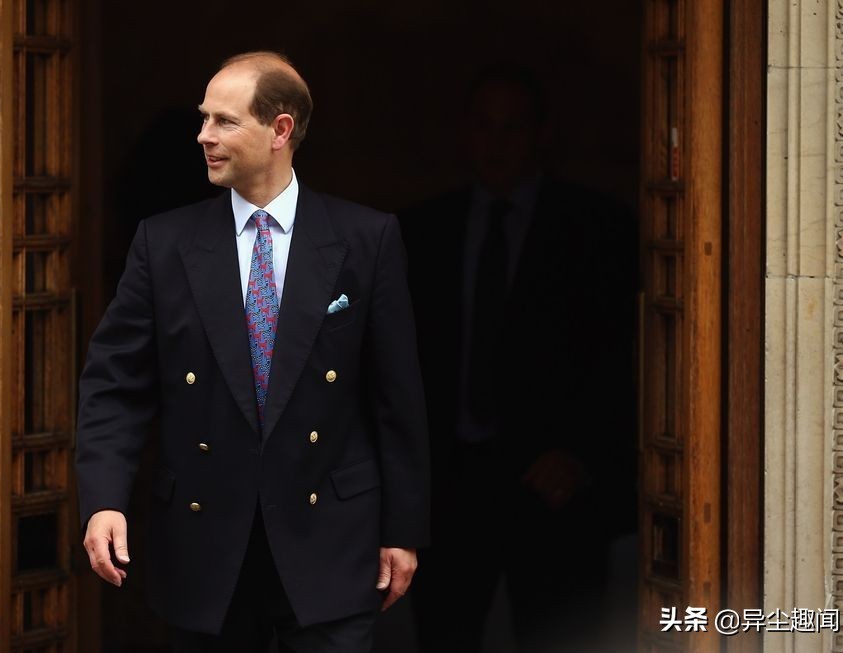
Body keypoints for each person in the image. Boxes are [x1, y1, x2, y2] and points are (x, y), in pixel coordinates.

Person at [75, 51, 429, 653]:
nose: (203, 135)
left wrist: (403, 529)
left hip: (331, 538)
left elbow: (396, 398)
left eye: (224, 121)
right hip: (204, 542)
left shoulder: (366, 239)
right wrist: (104, 500)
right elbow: (115, 385)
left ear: (280, 130)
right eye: (204, 118)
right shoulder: (163, 243)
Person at [401, 63, 637, 652]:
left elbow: (622, 357)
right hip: (449, 491)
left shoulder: (597, 227)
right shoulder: (421, 230)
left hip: (554, 486)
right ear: (465, 131)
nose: (497, 143)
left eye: (513, 127)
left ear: (541, 134)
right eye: (485, 126)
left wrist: (582, 455)